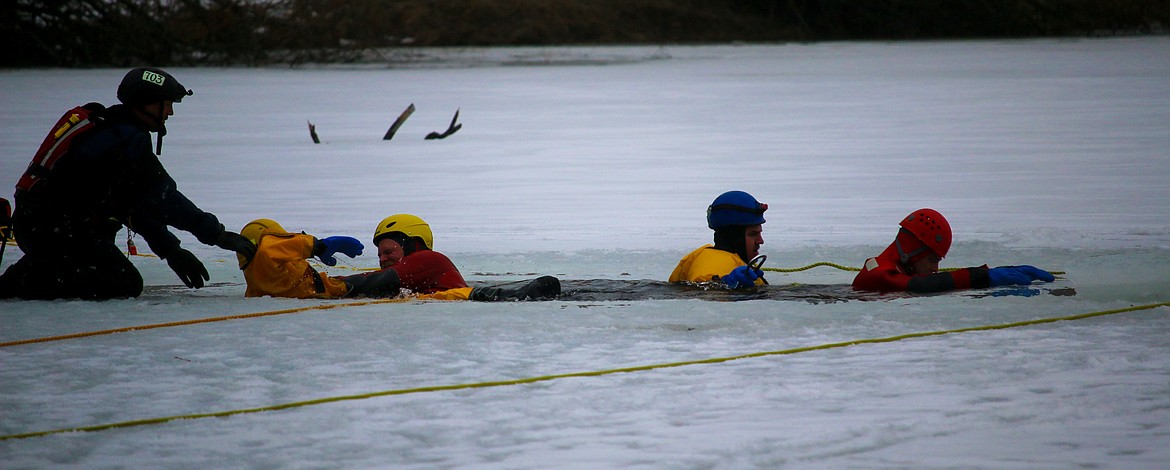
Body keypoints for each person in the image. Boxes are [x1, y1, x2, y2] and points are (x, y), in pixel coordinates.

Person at [0, 67, 255, 300]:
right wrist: (217, 235)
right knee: (123, 282)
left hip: (43, 225)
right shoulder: (124, 140)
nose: (170, 112)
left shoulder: (111, 129)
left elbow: (131, 204)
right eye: (167, 104)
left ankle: (40, 267)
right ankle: (21, 281)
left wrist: (171, 250)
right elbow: (164, 197)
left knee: (109, 265)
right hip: (51, 228)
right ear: (146, 103)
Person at [852, 208, 1055, 293]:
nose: (935, 269)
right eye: (932, 259)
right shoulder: (879, 272)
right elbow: (919, 286)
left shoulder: (892, 268)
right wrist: (983, 277)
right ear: (911, 250)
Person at [363, 213, 560, 301]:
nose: (382, 259)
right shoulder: (407, 283)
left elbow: (369, 282)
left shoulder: (430, 259)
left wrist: (337, 285)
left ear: (414, 245)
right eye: (379, 254)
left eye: (389, 252)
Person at [237, 218, 399, 299]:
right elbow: (268, 250)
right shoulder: (266, 259)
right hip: (338, 290)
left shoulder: (255, 282)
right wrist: (318, 246)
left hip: (327, 289)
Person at [669, 190, 768, 288]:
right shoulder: (716, 263)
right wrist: (726, 284)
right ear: (734, 236)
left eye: (759, 233)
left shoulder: (712, 256)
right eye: (753, 234)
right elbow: (704, 294)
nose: (760, 241)